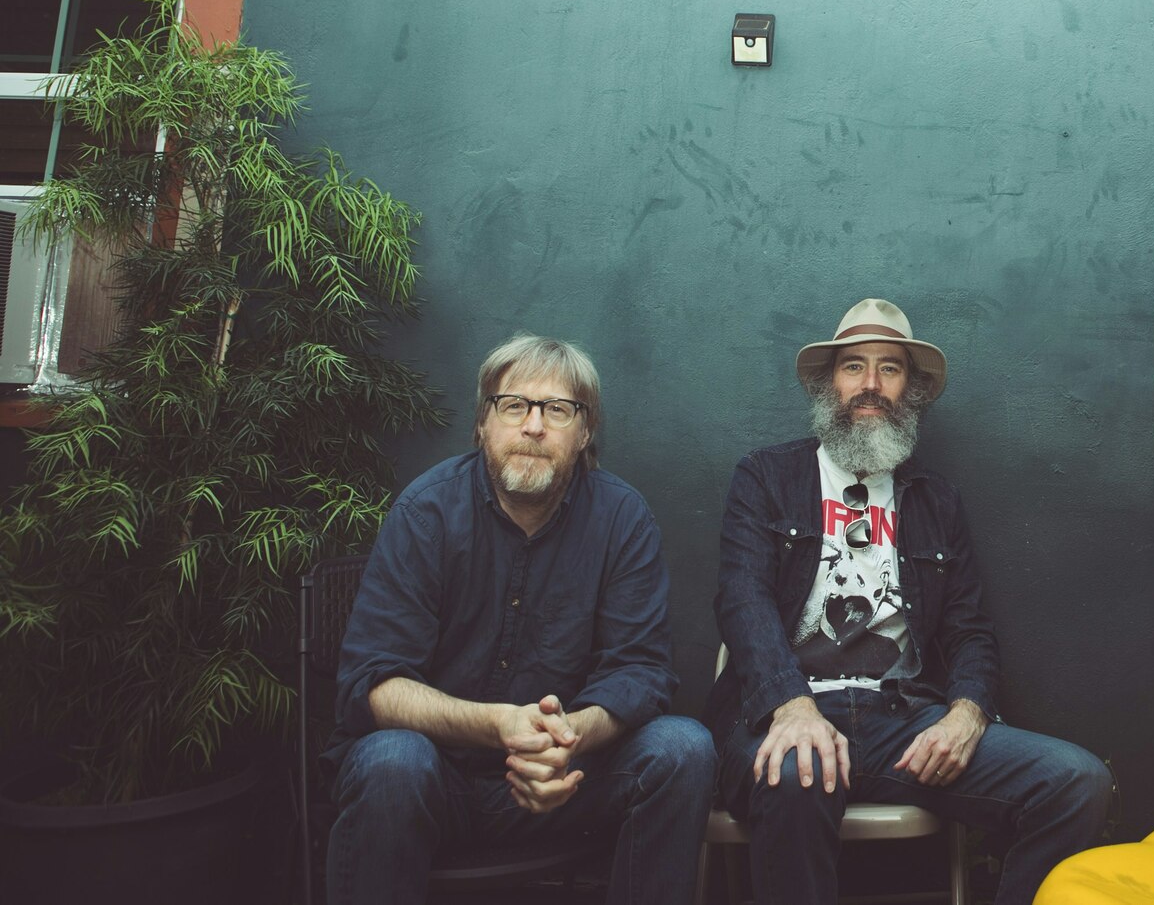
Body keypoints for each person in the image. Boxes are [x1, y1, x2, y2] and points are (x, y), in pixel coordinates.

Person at [708, 299, 1111, 905]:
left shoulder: (936, 501)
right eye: (853, 366)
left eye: (889, 368)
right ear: (828, 383)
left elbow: (970, 630)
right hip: (786, 711)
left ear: (911, 391)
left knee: (1077, 782)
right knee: (798, 773)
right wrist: (792, 707)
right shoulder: (767, 476)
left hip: (901, 722)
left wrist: (967, 714)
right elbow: (743, 601)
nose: (870, 384)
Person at [326, 334, 716, 905]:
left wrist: (567, 740)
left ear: (585, 432)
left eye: (557, 410)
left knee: (683, 747)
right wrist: (498, 725)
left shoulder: (622, 518)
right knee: (392, 760)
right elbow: (373, 684)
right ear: (483, 423)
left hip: (567, 780)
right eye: (514, 406)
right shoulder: (425, 512)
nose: (533, 426)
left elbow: (642, 671)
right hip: (434, 783)